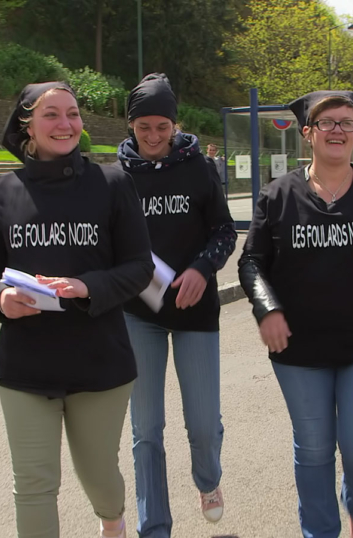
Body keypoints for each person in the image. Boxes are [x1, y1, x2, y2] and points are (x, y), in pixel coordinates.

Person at [238, 90, 353, 538]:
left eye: (347, 123)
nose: (338, 130)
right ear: (308, 134)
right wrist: (268, 309)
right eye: (327, 123)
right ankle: (320, 533)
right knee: (315, 450)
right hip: (298, 352)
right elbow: (252, 262)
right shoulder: (278, 195)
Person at [0, 81, 154, 538]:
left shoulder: (113, 183)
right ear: (26, 125)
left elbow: (139, 268)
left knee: (98, 476)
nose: (66, 123)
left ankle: (112, 521)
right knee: (33, 484)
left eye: (72, 114)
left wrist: (85, 286)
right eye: (52, 114)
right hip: (24, 364)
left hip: (100, 362)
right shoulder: (1, 192)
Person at [116, 73, 237, 538]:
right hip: (138, 314)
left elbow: (224, 232)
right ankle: (155, 526)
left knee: (203, 423)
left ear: (175, 124)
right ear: (130, 126)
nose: (152, 137)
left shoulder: (199, 168)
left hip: (195, 311)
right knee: (146, 429)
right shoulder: (117, 178)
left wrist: (201, 270)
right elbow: (108, 243)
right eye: (143, 127)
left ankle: (208, 481)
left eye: (161, 127)